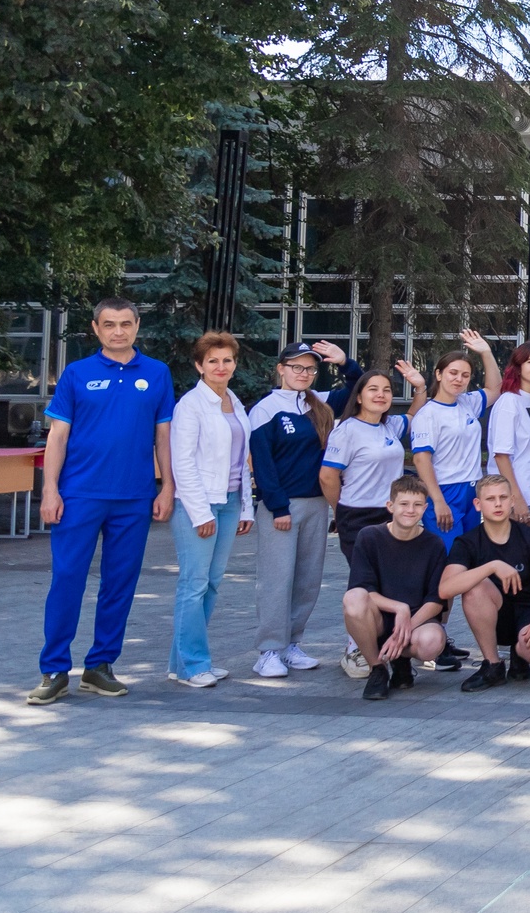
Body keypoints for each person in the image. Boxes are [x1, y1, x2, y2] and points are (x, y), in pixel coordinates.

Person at [26, 297, 176, 706]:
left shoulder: (157, 373)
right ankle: (54, 669)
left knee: (119, 584)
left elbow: (163, 437)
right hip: (79, 495)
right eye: (109, 324)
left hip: (134, 497)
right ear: (95, 328)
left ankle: (100, 666)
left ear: (137, 325)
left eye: (125, 323)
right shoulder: (77, 373)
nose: (118, 331)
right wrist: (50, 489)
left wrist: (167, 487)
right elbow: (57, 437)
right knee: (67, 579)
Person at [248, 340, 353, 678]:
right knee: (277, 579)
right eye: (297, 367)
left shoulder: (317, 402)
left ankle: (291, 644)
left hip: (316, 504)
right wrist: (278, 507)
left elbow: (360, 390)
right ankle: (268, 650)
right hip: (282, 507)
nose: (304, 373)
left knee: (307, 579)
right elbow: (263, 464)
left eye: (310, 368)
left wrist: (345, 362)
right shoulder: (265, 409)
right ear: (281, 369)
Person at [167, 331, 255, 689]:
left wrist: (246, 508)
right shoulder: (190, 405)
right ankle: (192, 664)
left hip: (230, 501)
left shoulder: (234, 401)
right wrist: (200, 513)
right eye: (213, 361)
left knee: (212, 584)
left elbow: (242, 460)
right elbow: (182, 462)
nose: (221, 366)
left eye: (227, 360)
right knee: (194, 584)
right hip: (199, 505)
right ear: (199, 366)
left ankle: (182, 662)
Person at [440, 474, 530, 692]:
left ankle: (520, 655)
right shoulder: (467, 542)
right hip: (496, 616)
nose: (497, 504)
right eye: (490, 499)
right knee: (474, 588)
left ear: (512, 501)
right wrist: (491, 567)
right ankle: (493, 666)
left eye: (503, 497)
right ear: (478, 504)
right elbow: (445, 589)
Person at [341, 479, 449, 700]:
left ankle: (401, 660)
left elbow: (436, 600)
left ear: (425, 508)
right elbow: (363, 588)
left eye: (417, 505)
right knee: (353, 599)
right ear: (390, 506)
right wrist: (399, 608)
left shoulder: (434, 544)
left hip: (416, 620)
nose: (410, 510)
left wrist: (406, 627)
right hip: (379, 618)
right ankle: (377, 668)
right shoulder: (369, 536)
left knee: (433, 641)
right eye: (404, 504)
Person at [403, 330, 502, 551]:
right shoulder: (427, 414)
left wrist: (486, 352)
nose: (459, 379)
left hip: (472, 489)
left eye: (465, 375)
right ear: (439, 374)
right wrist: (438, 501)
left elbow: (495, 389)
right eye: (453, 373)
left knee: (469, 555)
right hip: (445, 491)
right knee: (450, 556)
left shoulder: (468, 402)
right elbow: (421, 460)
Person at [321, 369, 412, 572]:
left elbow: (413, 414)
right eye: (373, 389)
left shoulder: (389, 426)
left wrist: (420, 387)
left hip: (391, 513)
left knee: (391, 578)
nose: (381, 394)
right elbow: (327, 477)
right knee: (366, 579)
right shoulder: (346, 431)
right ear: (359, 397)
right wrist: (339, 510)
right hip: (358, 515)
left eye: (386, 390)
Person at [486, 341, 530, 526]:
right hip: (517, 496)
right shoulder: (509, 402)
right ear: (518, 367)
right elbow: (501, 455)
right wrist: (515, 498)